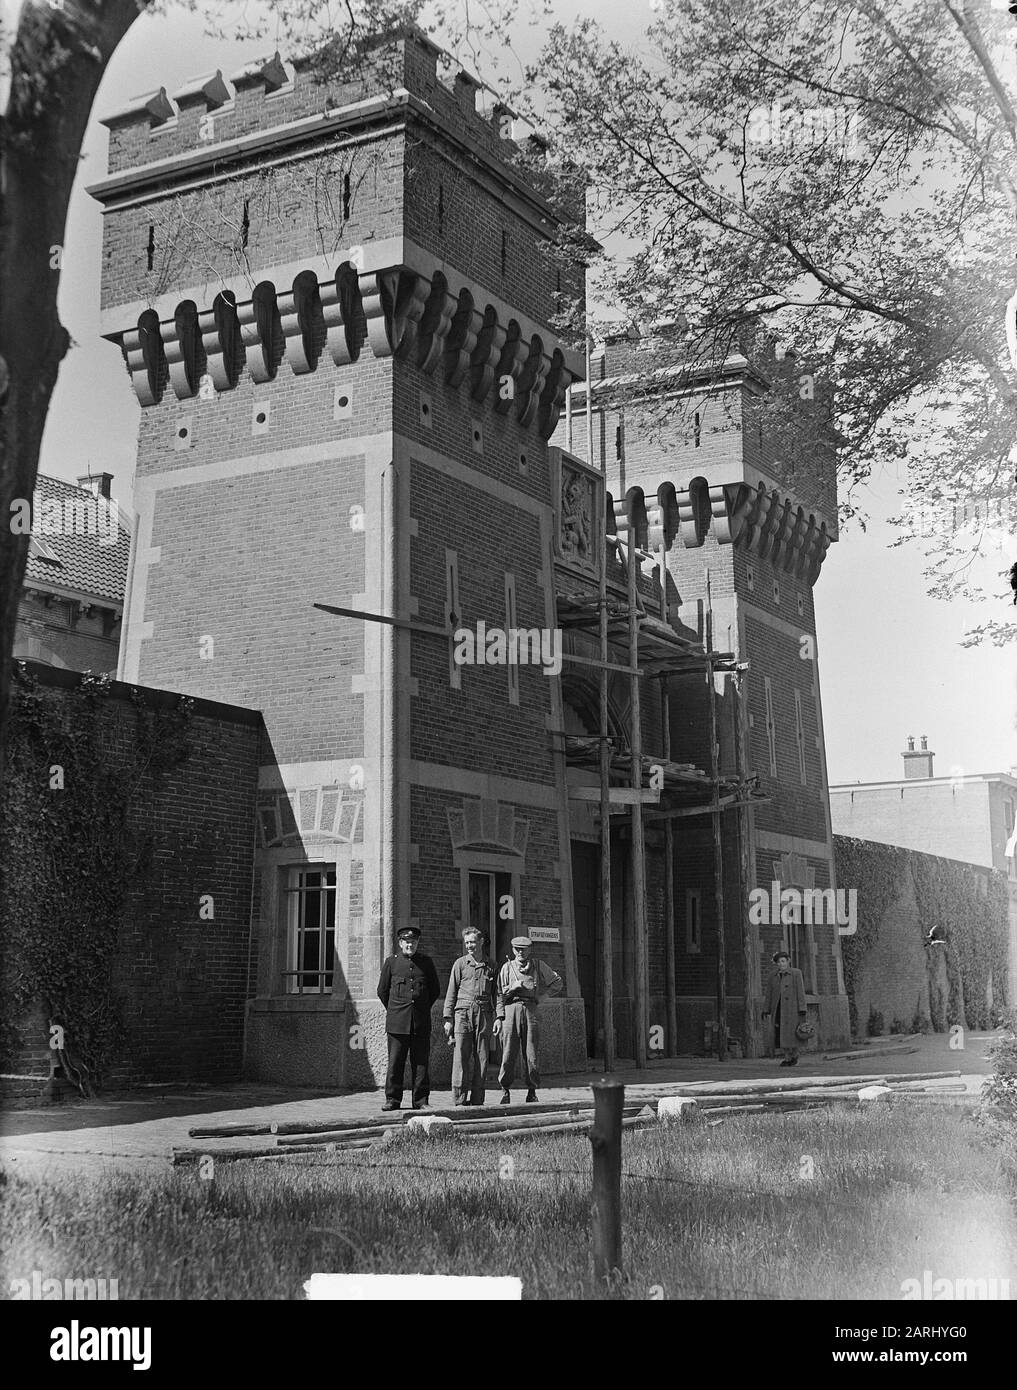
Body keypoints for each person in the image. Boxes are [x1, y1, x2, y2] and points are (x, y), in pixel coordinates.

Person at [377, 926, 441, 1110]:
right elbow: (382, 991)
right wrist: (396, 1010)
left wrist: (420, 1008)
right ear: (400, 943)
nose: (409, 945)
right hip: (397, 1023)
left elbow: (434, 990)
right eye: (406, 942)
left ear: (417, 943)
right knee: (395, 1062)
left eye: (413, 942)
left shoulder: (426, 963)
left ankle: (421, 1100)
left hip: (420, 1022)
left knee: (420, 1063)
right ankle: (392, 1100)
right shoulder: (391, 963)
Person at [494, 936, 564, 1104]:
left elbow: (557, 982)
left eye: (524, 949)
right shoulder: (506, 968)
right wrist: (511, 990)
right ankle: (505, 1090)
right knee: (508, 1053)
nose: (520, 952)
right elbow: (498, 995)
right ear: (512, 950)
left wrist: (542, 997)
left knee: (531, 1054)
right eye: (517, 949)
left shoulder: (538, 965)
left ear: (529, 950)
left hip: (531, 1011)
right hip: (510, 1011)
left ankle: (532, 1090)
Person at [443, 928, 498, 1106]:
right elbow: (451, 992)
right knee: (460, 1057)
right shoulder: (460, 964)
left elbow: (497, 995)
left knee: (481, 1057)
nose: (469, 946)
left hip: (484, 1013)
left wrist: (499, 1017)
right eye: (467, 943)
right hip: (463, 1013)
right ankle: (459, 1100)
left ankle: (477, 1100)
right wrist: (448, 1018)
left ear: (481, 942)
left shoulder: (491, 965)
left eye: (472, 942)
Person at [762, 948, 808, 1067]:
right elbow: (769, 993)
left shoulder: (796, 973)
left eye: (783, 961)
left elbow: (800, 991)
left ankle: (795, 1055)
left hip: (792, 1009)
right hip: (778, 1009)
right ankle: (787, 1057)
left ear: (788, 961)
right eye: (779, 962)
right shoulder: (773, 975)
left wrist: (802, 1008)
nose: (781, 964)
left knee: (793, 1034)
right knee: (781, 1034)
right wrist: (766, 1009)